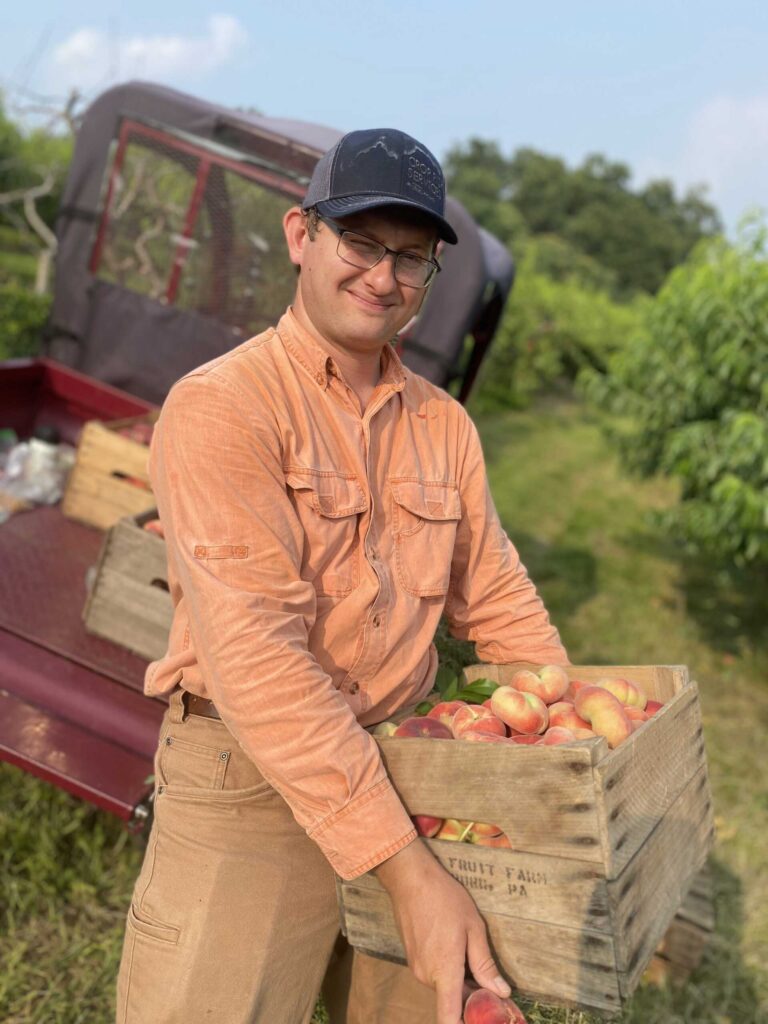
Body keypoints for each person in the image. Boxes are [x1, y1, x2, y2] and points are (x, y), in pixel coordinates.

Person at [115, 128, 568, 1024]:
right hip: (249, 779)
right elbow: (258, 660)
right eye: (361, 241)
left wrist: (564, 748)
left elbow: (500, 599)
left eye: (411, 257)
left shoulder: (444, 426)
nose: (383, 277)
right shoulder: (224, 407)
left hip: (408, 766)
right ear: (301, 235)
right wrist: (409, 871)